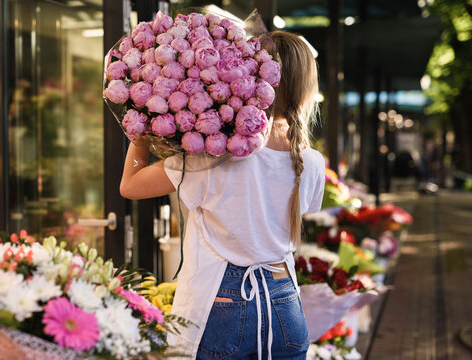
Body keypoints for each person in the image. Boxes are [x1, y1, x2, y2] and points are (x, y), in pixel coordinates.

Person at [120, 31, 325, 360]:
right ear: (306, 89)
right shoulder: (312, 162)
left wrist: (144, 124)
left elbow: (130, 184)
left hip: (220, 301)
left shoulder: (211, 155)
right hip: (284, 301)